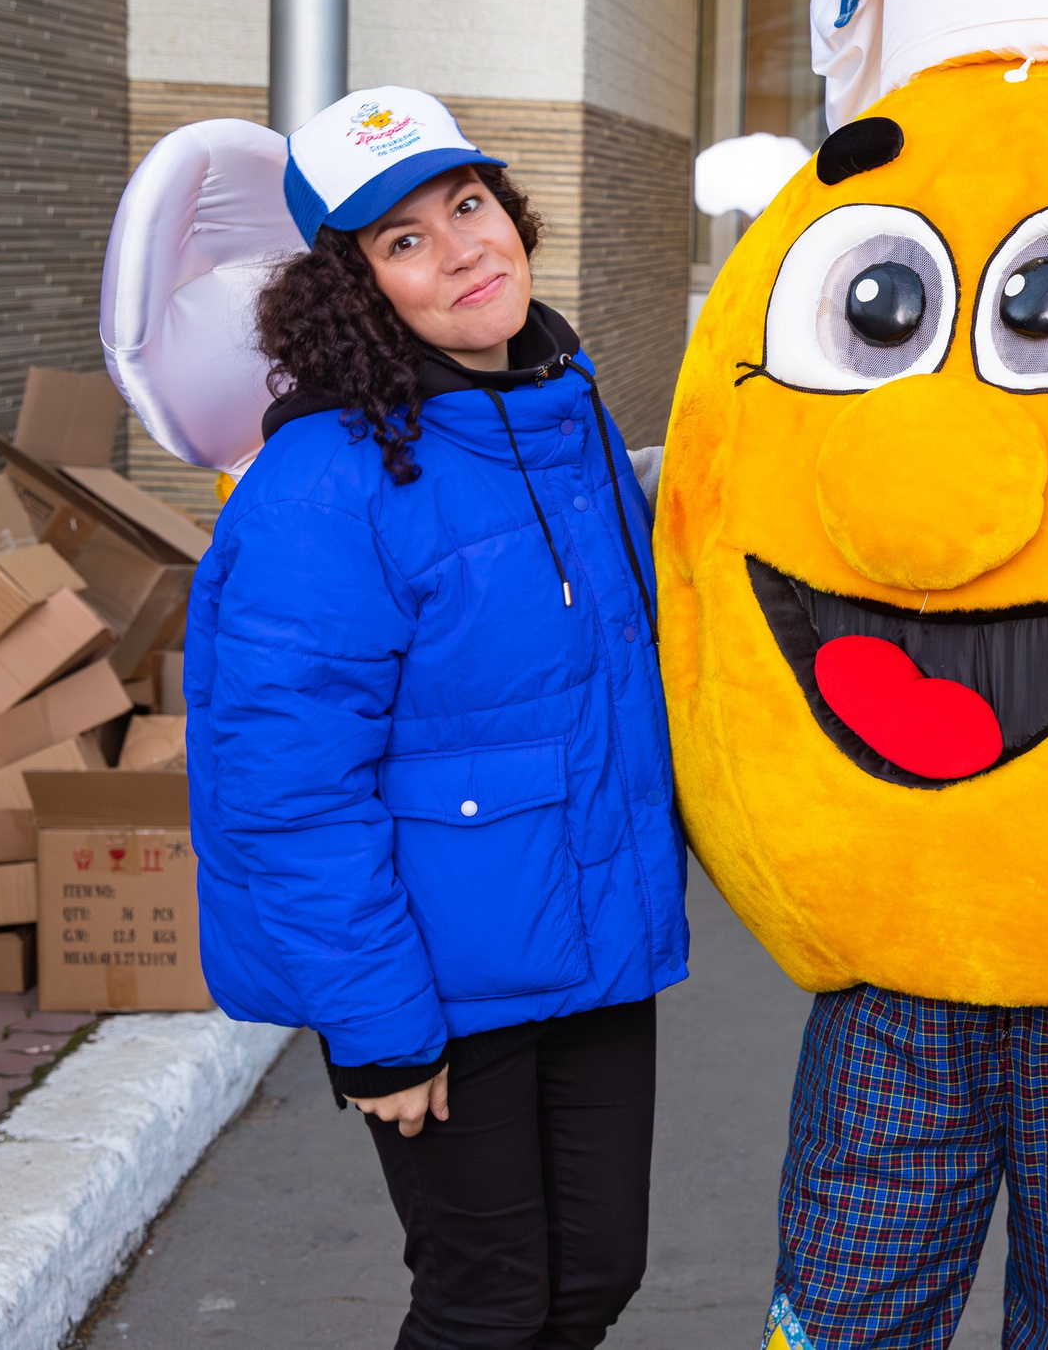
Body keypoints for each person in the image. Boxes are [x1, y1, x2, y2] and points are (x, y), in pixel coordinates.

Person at [184, 86, 689, 1350]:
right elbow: (287, 790)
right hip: (436, 979)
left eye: (469, 206)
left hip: (587, 942)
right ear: (355, 289)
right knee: (487, 1306)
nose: (462, 249)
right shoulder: (324, 482)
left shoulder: (562, 416)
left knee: (594, 1280)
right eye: (405, 239)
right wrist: (381, 1030)